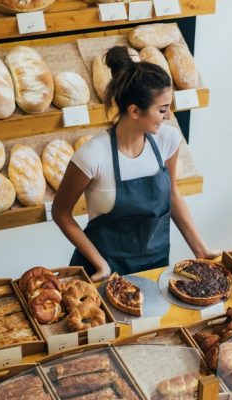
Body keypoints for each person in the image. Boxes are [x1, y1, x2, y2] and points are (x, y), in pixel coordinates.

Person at [53, 46, 219, 281]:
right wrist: (100, 265)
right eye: (162, 109)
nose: (169, 116)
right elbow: (60, 213)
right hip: (103, 273)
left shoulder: (167, 140)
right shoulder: (92, 156)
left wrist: (201, 249)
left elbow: (172, 194)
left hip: (155, 268)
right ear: (134, 111)